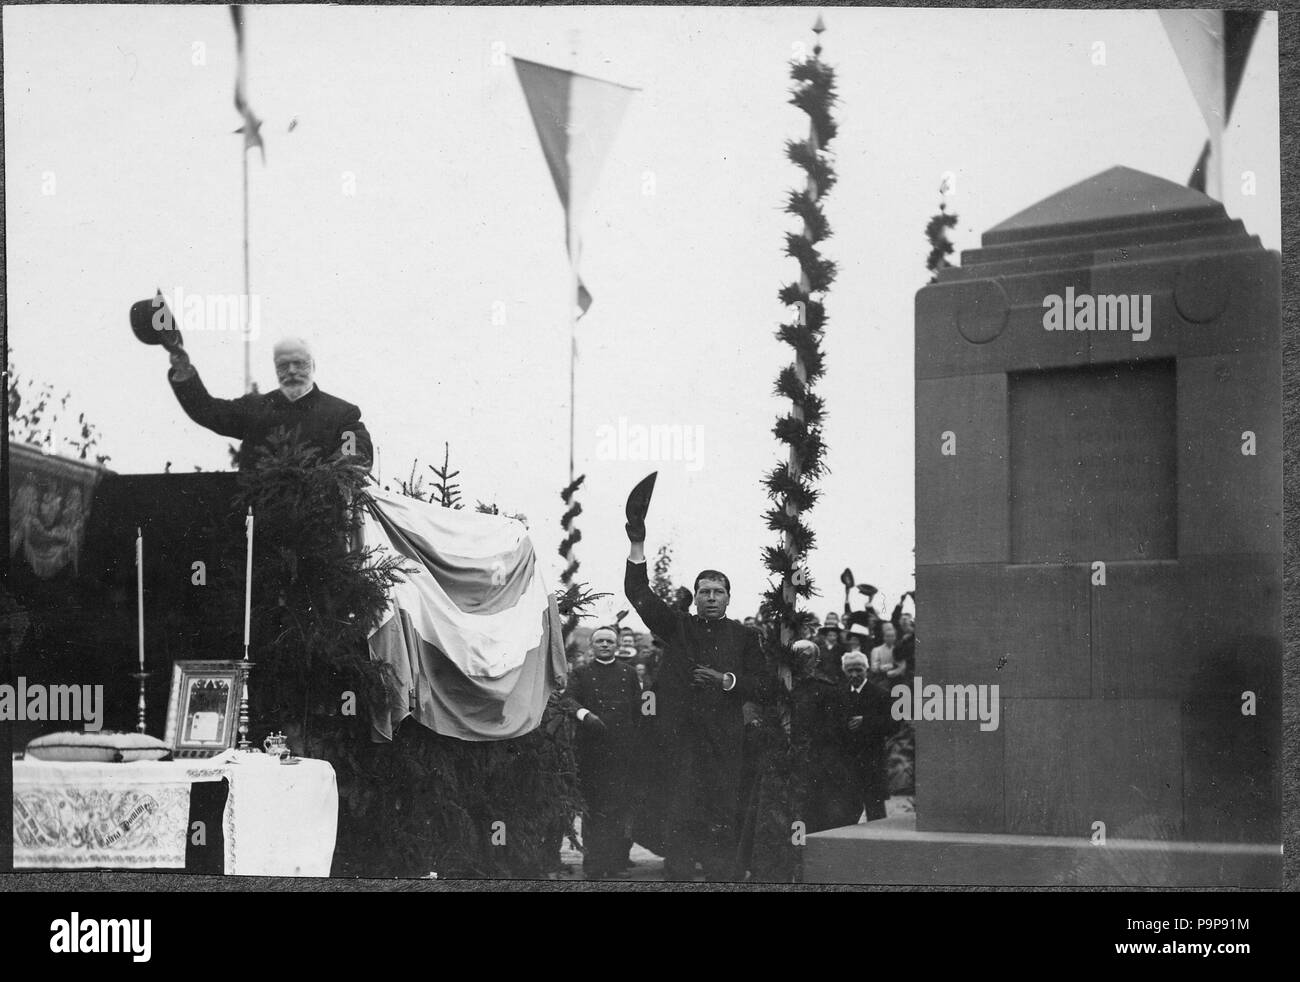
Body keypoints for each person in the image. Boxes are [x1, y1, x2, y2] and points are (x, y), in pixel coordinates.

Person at [623, 477, 767, 881]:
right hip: (681, 740)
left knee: (722, 815)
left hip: (724, 742)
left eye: (717, 591)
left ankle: (721, 877)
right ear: (697, 595)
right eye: (703, 590)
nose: (709, 596)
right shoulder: (678, 626)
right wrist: (637, 543)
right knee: (680, 811)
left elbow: (764, 686)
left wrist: (728, 681)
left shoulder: (744, 637)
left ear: (728, 597)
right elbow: (639, 593)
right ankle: (679, 876)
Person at [166, 336, 373, 470]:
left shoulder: (341, 413)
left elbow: (353, 451)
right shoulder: (255, 408)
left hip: (318, 524)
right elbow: (208, 410)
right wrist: (184, 371)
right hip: (259, 524)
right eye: (283, 365)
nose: (291, 371)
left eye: (299, 363)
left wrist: (328, 473)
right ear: (275, 369)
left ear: (313, 366)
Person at [561, 626, 642, 879]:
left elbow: (639, 708)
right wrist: (585, 715)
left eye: (609, 641)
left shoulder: (629, 674)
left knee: (618, 807)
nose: (605, 645)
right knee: (593, 808)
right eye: (600, 641)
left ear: (616, 646)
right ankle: (594, 864)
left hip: (622, 751)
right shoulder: (582, 673)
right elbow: (567, 700)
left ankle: (616, 862)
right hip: (591, 751)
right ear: (592, 646)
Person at [840, 651, 893, 822]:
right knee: (847, 815)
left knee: (876, 814)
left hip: (873, 762)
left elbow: (893, 725)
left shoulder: (881, 694)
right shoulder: (839, 695)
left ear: (866, 669)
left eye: (858, 669)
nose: (854, 674)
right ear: (844, 671)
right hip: (848, 763)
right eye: (850, 670)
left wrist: (866, 721)